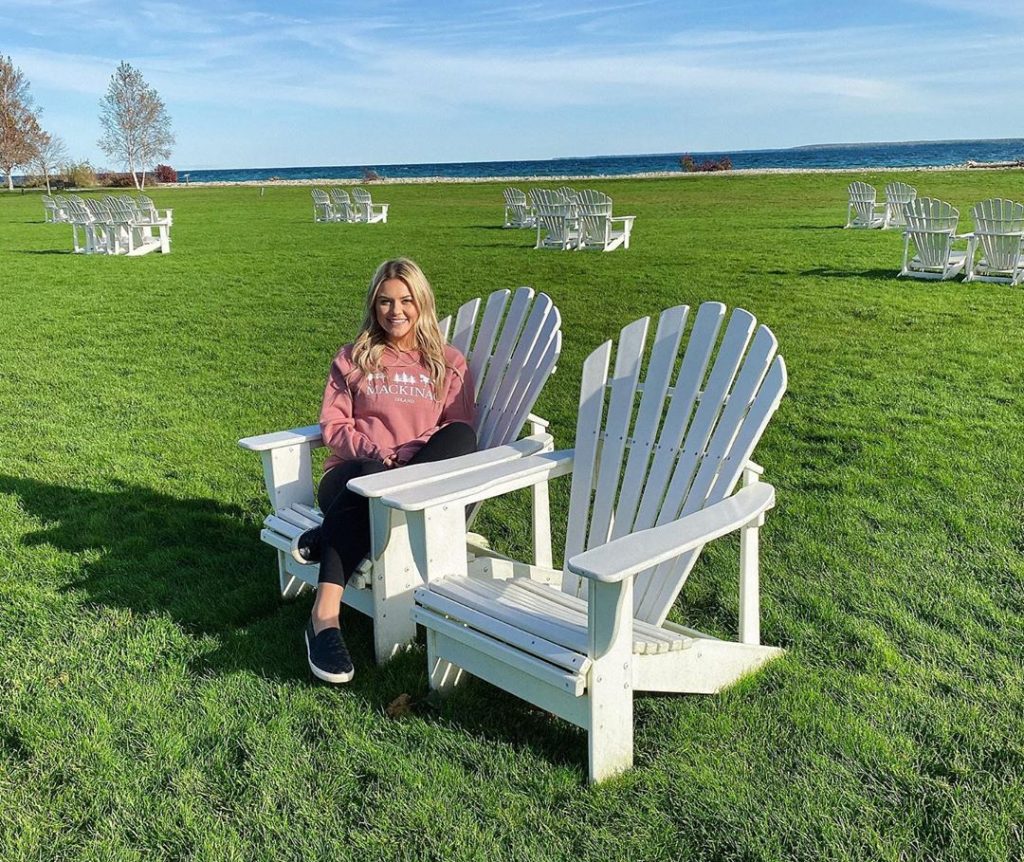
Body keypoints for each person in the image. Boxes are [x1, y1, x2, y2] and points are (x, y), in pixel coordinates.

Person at [292, 258, 477, 684]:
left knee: (463, 437)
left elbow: (455, 430)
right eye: (385, 301)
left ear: (422, 303)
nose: (396, 311)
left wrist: (406, 462)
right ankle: (324, 619)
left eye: (406, 300)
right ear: (374, 307)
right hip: (352, 475)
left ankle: (329, 536)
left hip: (411, 485)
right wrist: (373, 452)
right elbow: (334, 426)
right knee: (370, 475)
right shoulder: (353, 358)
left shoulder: (448, 364)